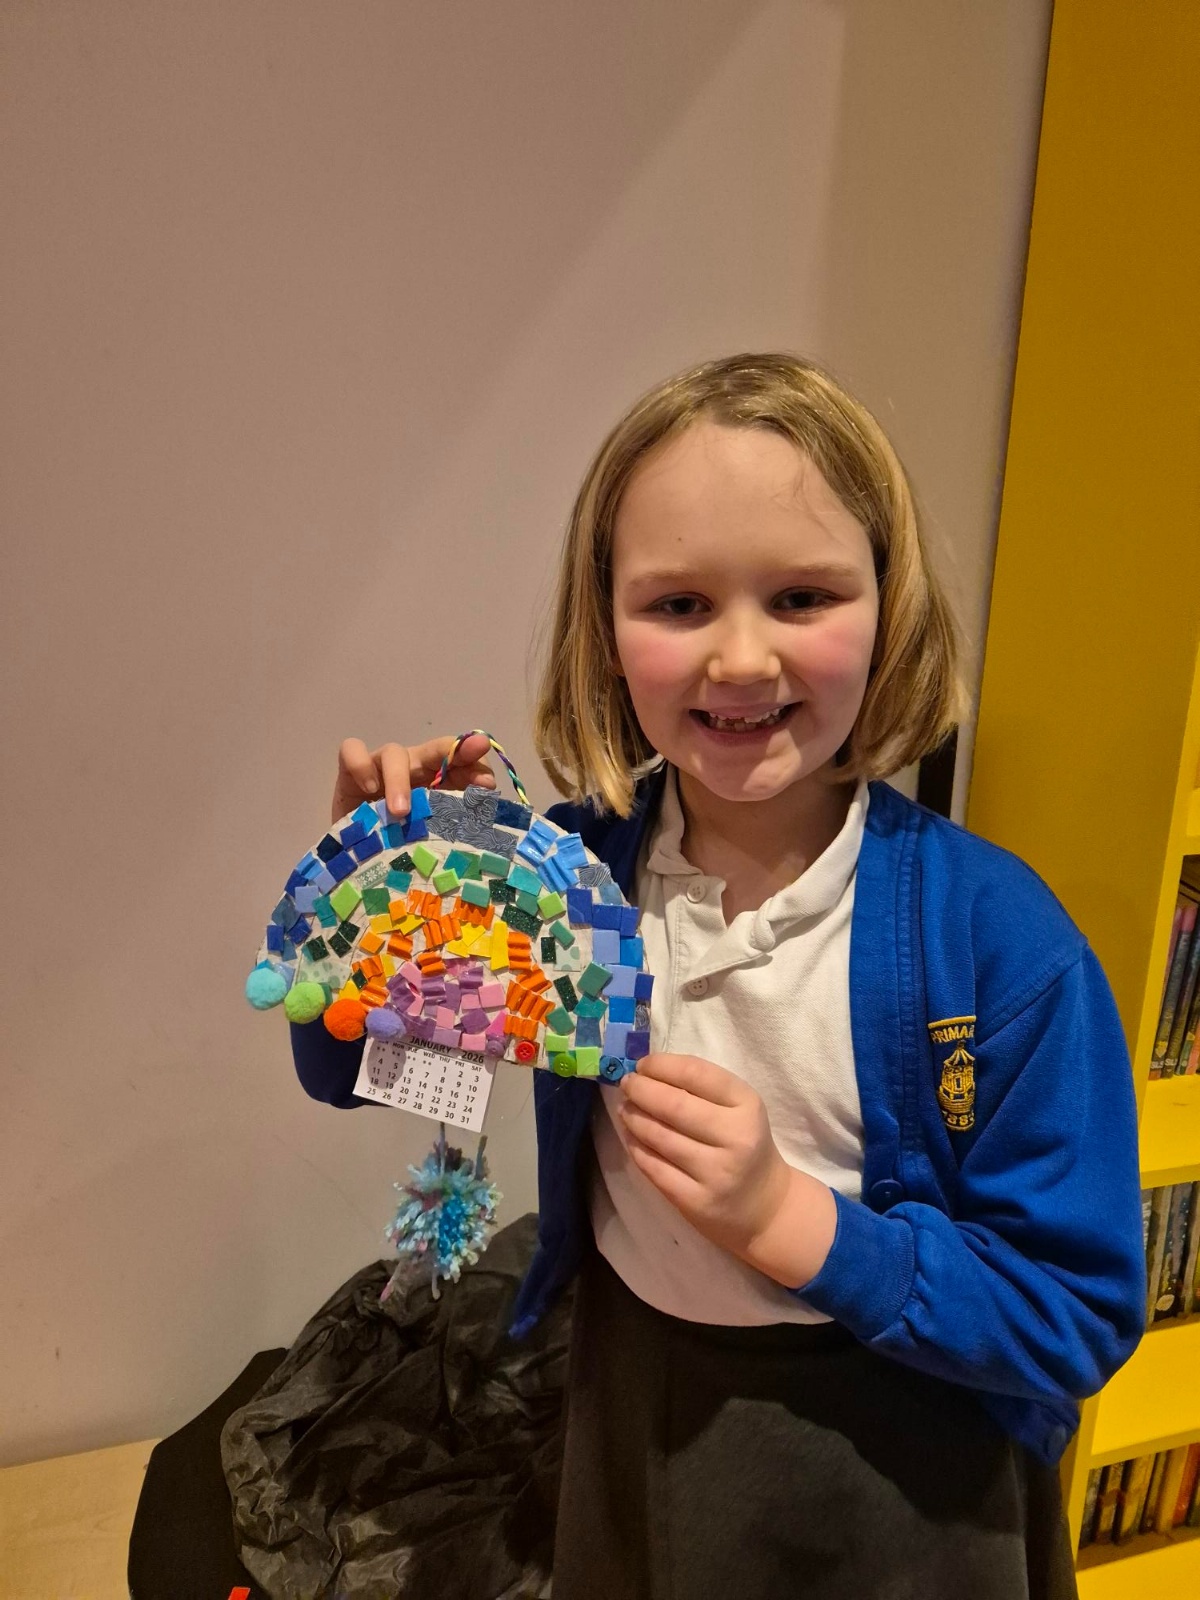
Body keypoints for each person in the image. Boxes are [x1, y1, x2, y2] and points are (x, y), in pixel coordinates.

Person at [292, 353, 1145, 1599]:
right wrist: (367, 907)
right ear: (606, 628)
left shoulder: (1001, 942)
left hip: (909, 1470)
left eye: (801, 595)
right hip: (634, 1408)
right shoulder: (567, 880)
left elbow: (1074, 1312)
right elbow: (365, 1063)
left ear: (890, 607)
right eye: (680, 603)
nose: (741, 660)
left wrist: (792, 1222)